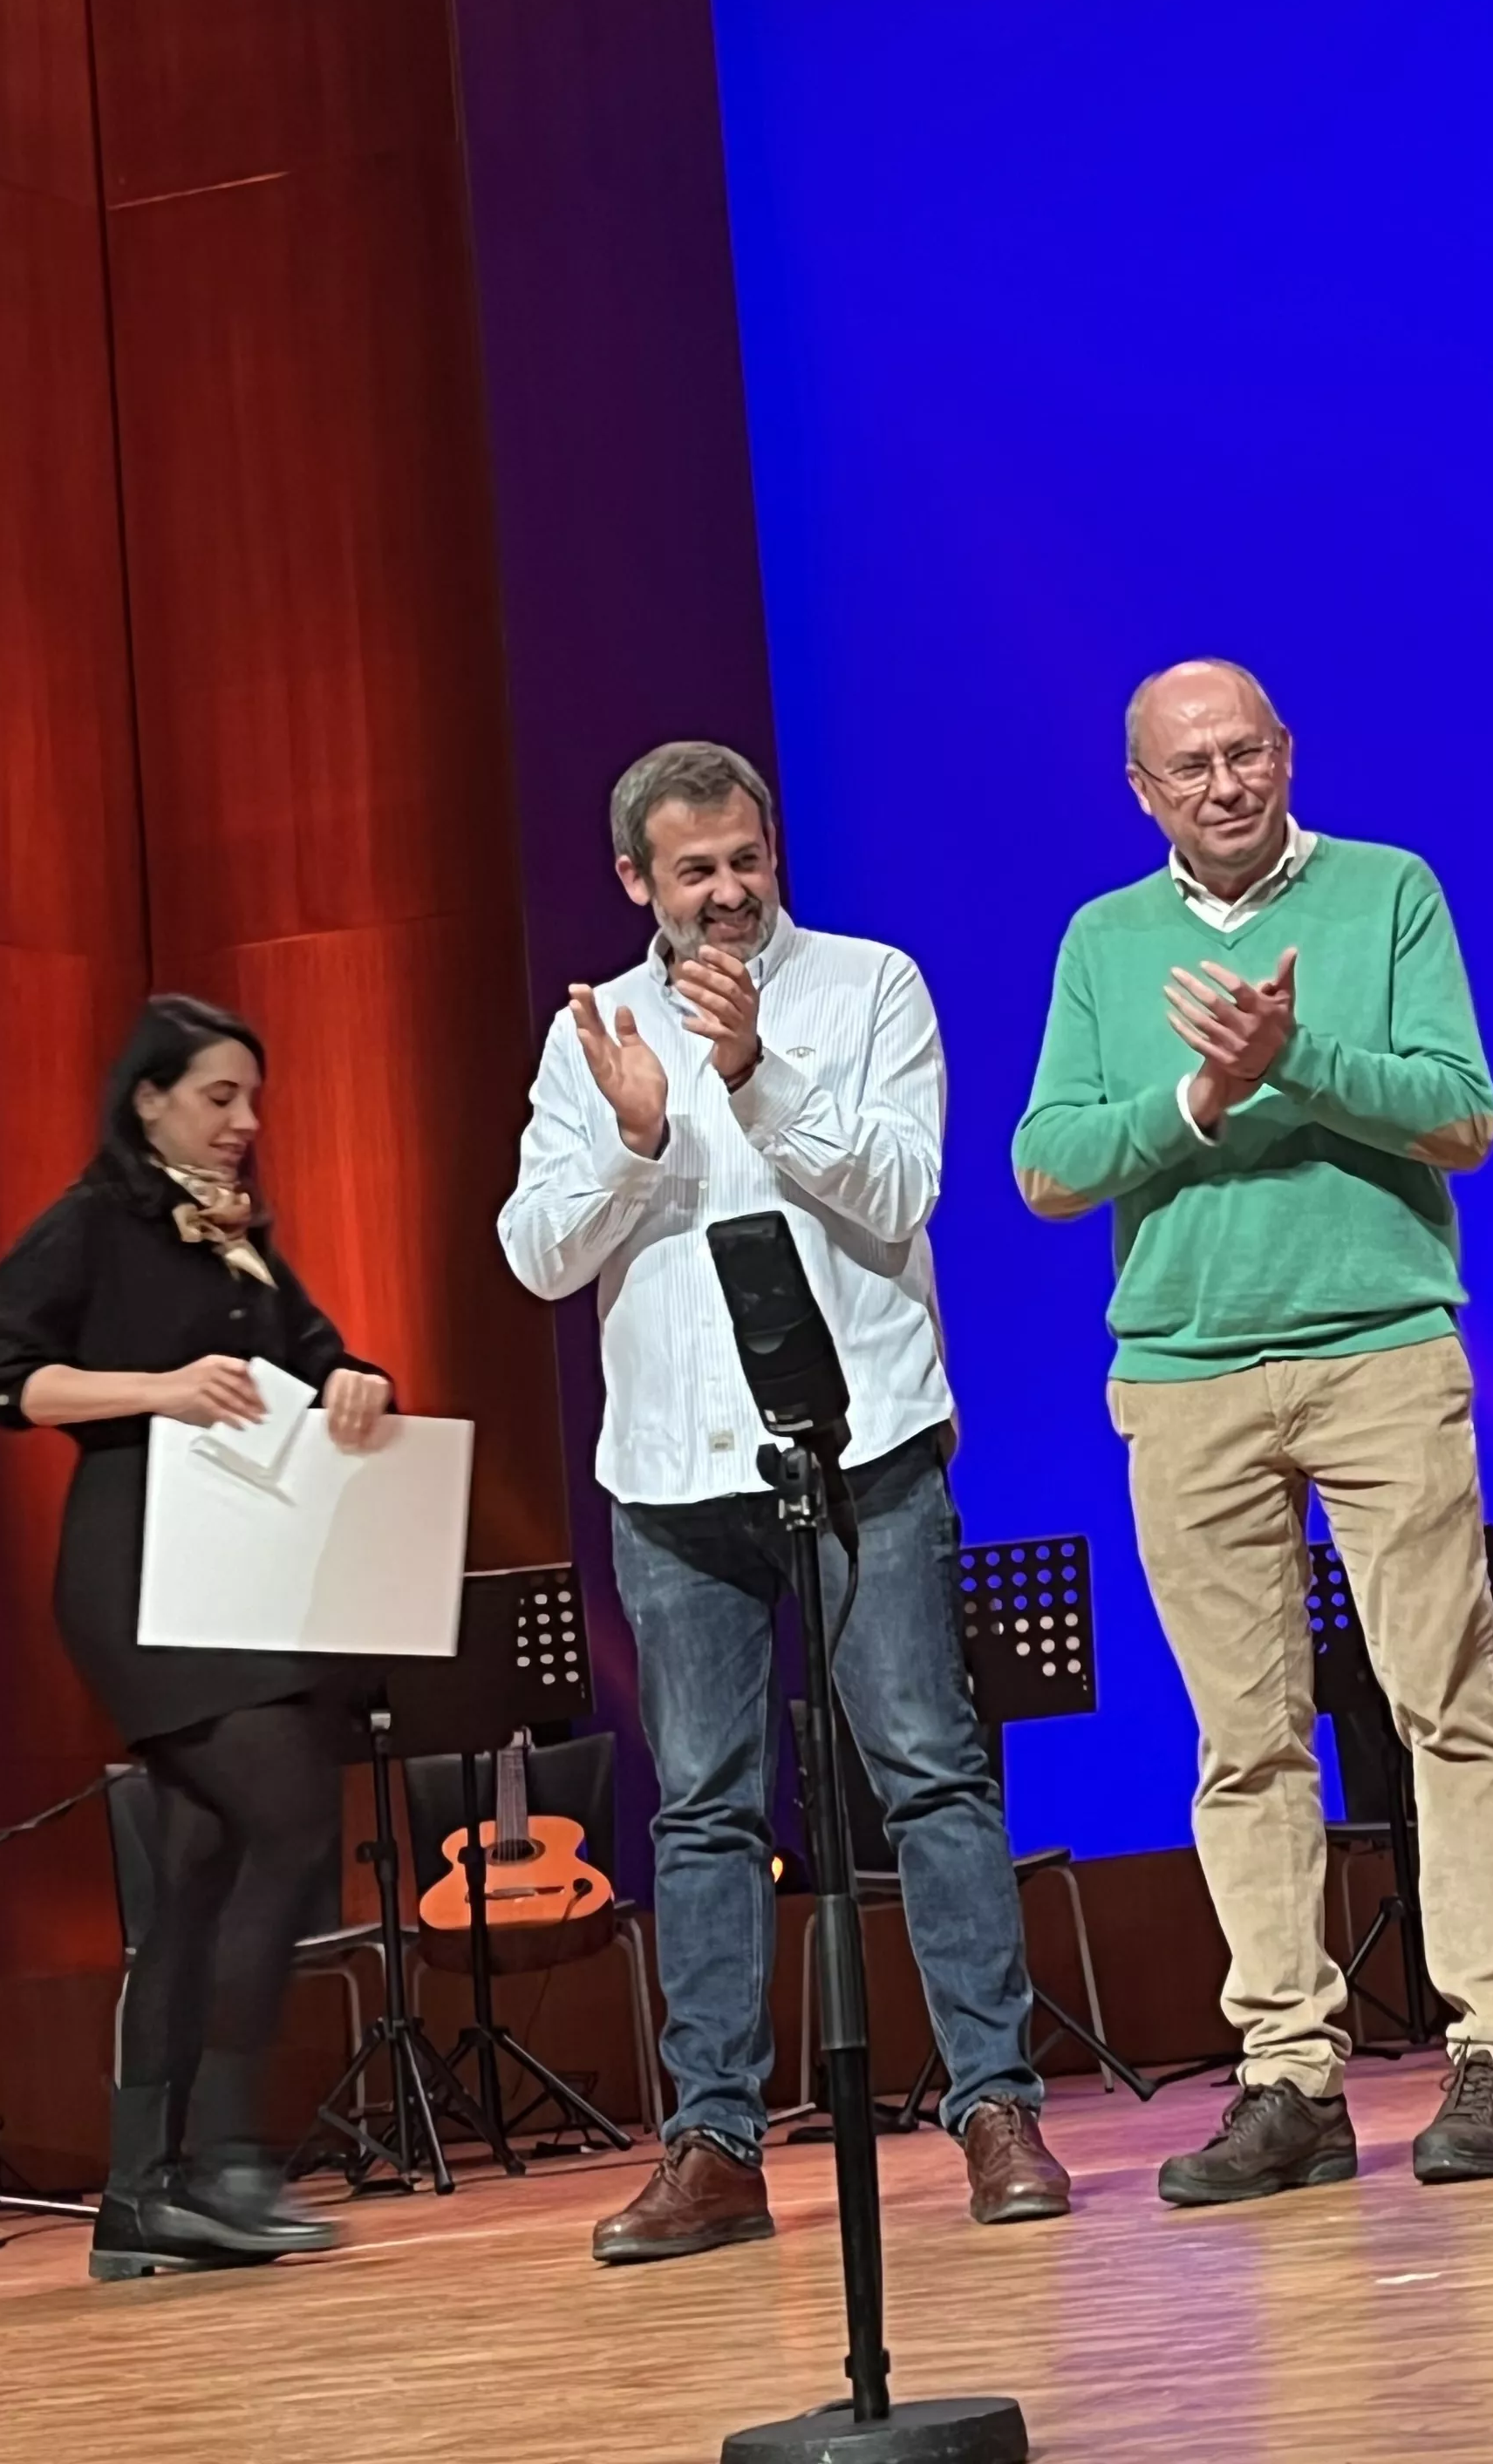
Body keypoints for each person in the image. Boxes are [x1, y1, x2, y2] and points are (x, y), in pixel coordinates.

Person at [498, 740, 1064, 2259]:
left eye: (747, 858)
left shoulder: (871, 984)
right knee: (699, 1809)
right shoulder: (592, 1030)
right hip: (676, 1477)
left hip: (867, 1443)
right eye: (696, 870)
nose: (731, 890)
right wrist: (629, 1133)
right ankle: (715, 2141)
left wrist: (751, 1069)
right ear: (637, 882)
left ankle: (997, 2105)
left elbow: (900, 1188)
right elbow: (538, 1254)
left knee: (929, 1772)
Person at [1012, 657, 1493, 2207]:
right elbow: (1047, 1164)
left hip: (1379, 1345)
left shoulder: (1388, 892)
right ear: (1141, 789)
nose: (1223, 783)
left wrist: (1295, 1060)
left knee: (1448, 1699)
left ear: (1286, 751)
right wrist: (1197, 1095)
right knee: (1241, 1741)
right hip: (1185, 1373)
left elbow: (1462, 1111)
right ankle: (1288, 2077)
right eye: (1187, 765)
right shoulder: (1101, 940)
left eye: (1244, 751)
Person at [0, 997, 388, 2279]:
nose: (245, 1124)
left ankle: (142, 2195)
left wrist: (359, 1383)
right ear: (147, 1099)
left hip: (243, 1580)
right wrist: (157, 1391)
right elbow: (4, 1378)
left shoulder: (241, 1247)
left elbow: (322, 1364)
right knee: (291, 1823)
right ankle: (225, 2163)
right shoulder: (95, 1220)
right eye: (218, 1097)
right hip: (140, 1576)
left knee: (204, 1869)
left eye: (252, 1099)